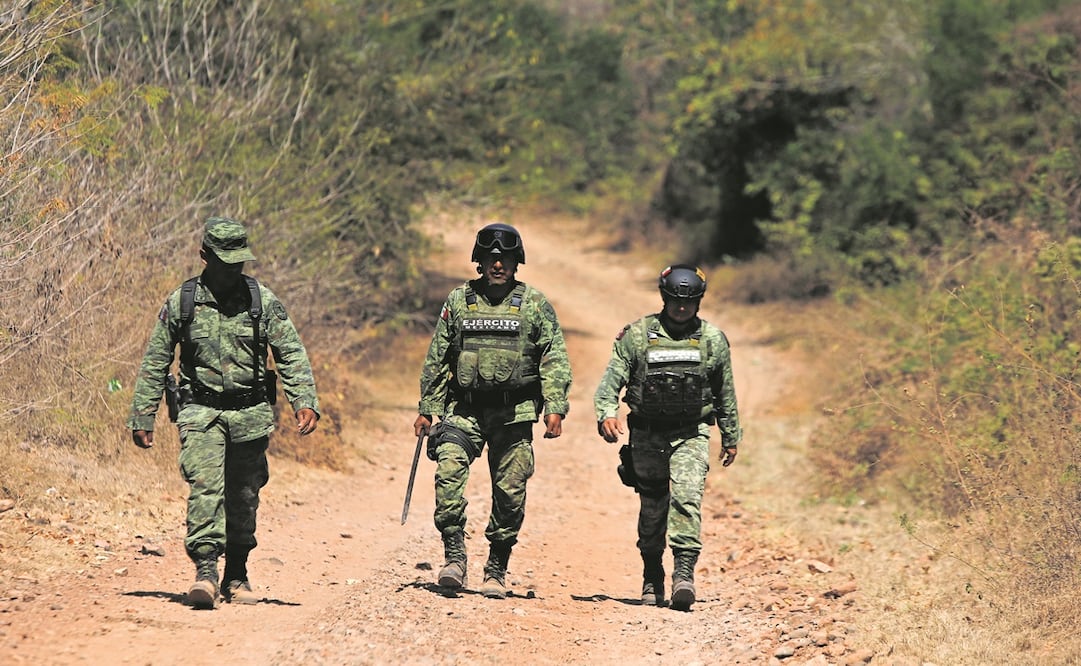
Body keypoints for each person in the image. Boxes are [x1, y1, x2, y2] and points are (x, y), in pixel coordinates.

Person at [127, 217, 320, 610]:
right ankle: (205, 572)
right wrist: (143, 415)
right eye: (225, 262)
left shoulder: (261, 300)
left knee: (244, 495)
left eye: (239, 262)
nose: (233, 269)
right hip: (201, 412)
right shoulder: (182, 302)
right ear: (205, 256)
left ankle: (236, 573)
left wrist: (304, 400)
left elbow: (290, 353)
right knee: (206, 487)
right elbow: (156, 360)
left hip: (250, 414)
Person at [413, 222, 572, 599]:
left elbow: (554, 358)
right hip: (464, 410)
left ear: (517, 263)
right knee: (448, 476)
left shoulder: (534, 304)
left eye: (505, 259)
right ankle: (454, 557)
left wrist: (555, 406)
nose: (497, 264)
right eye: (490, 258)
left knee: (510, 493)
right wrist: (428, 408)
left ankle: (496, 567)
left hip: (514, 414)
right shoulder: (458, 301)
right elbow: (438, 356)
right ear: (479, 261)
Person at [592, 264, 741, 612]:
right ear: (664, 297)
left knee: (687, 497)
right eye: (675, 300)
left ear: (699, 301)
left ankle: (683, 575)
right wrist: (606, 413)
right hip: (647, 434)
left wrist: (731, 434)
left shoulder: (712, 340)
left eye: (689, 302)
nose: (681, 307)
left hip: (692, 432)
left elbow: (725, 392)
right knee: (653, 505)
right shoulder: (637, 336)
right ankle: (652, 573)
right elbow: (611, 381)